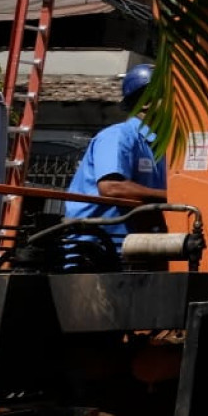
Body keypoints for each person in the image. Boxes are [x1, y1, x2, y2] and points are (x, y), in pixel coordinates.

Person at [62, 63, 168, 270]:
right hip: (96, 253)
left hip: (134, 250)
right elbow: (112, 188)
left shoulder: (159, 147)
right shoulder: (118, 136)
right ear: (146, 102)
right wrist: (172, 197)